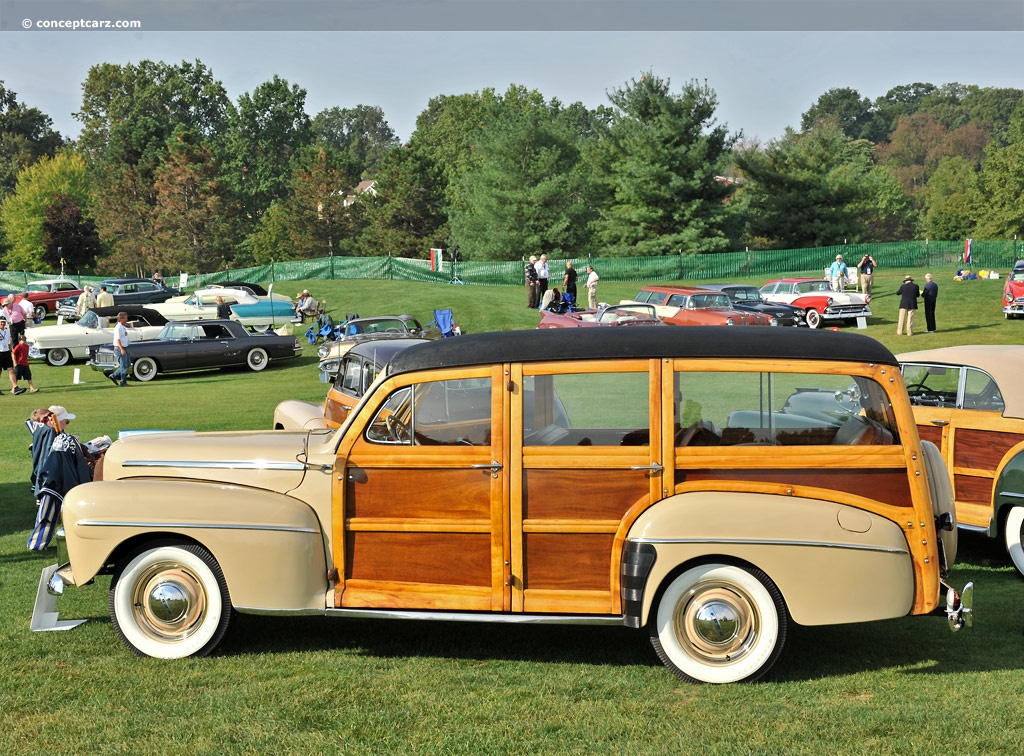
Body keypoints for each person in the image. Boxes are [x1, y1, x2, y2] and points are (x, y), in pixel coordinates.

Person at [27, 405, 94, 551]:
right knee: (47, 515)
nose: (66, 424)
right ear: (54, 421)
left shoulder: (43, 434)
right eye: (66, 421)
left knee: (48, 514)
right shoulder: (56, 438)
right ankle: (36, 545)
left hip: (50, 478)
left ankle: (40, 543)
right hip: (54, 480)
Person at [0, 314, 24, 394]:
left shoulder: (7, 331)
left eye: (3, 322)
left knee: (11, 370)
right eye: (1, 322)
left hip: (6, 352)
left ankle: (15, 387)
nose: (2, 324)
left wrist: (11, 350)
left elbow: (9, 342)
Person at [108, 311, 131, 387]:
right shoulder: (118, 328)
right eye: (126, 317)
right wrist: (122, 349)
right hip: (120, 348)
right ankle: (123, 382)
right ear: (122, 319)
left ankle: (114, 375)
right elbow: (118, 340)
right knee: (123, 365)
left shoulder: (122, 326)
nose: (127, 319)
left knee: (127, 364)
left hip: (125, 347)